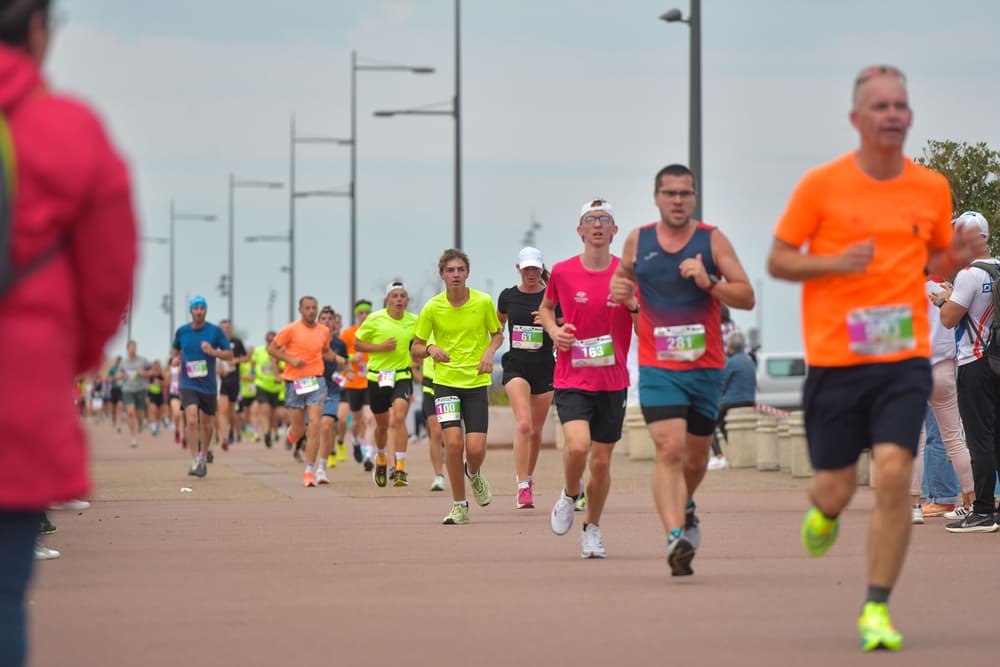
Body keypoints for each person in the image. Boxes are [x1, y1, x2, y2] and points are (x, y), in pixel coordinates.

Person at [765, 65, 985, 651]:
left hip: (903, 356)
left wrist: (953, 256)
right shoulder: (822, 186)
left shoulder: (930, 188)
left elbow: (933, 261)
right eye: (879, 106)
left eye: (899, 105)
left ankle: (876, 607)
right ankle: (825, 511)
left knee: (891, 473)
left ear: (908, 117)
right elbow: (780, 259)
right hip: (837, 358)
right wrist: (834, 263)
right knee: (835, 489)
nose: (891, 114)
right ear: (856, 118)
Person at [0, 2, 138, 663]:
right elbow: (108, 276)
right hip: (16, 395)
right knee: (4, 595)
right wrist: (67, 359)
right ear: (36, 30)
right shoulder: (67, 129)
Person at [610, 167, 755, 574]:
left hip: (705, 368)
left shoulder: (712, 240)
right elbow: (622, 279)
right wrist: (621, 290)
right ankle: (675, 536)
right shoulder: (638, 240)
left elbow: (746, 297)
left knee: (694, 460)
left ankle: (686, 506)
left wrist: (709, 282)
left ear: (694, 197)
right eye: (670, 193)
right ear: (656, 197)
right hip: (658, 366)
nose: (677, 200)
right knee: (669, 448)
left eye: (685, 193)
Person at [541, 198, 637, 558]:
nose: (598, 225)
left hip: (612, 381)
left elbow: (645, 327)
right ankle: (569, 494)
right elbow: (546, 308)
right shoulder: (563, 272)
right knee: (578, 446)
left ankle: (592, 529)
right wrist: (555, 332)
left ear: (614, 230)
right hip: (572, 376)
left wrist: (633, 304)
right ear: (580, 230)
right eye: (591, 220)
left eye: (605, 219)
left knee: (600, 463)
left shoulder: (627, 275)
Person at [413, 249, 504, 525]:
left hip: (476, 382)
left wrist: (489, 352)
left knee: (475, 449)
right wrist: (431, 348)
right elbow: (415, 347)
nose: (455, 275)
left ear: (467, 273)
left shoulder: (483, 301)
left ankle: (473, 473)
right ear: (442, 274)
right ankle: (459, 505)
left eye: (460, 270)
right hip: (445, 383)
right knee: (453, 443)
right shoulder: (432, 307)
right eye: (450, 270)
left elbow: (497, 334)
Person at [932, 211, 1000, 533]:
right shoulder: (997, 267)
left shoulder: (969, 275)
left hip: (975, 361)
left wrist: (944, 300)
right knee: (997, 436)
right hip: (997, 358)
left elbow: (949, 319)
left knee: (979, 438)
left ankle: (983, 510)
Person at [909, 270, 974, 523]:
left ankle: (915, 505)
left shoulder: (900, 292)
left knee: (914, 441)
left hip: (911, 369)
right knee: (954, 438)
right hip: (944, 368)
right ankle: (972, 499)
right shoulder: (947, 291)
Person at [498, 247, 557, 509]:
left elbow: (565, 330)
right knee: (523, 424)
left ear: (541, 268)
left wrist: (550, 324)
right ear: (518, 269)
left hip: (544, 367)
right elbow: (497, 327)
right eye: (526, 269)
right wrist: (488, 349)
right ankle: (522, 486)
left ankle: (529, 478)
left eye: (535, 268)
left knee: (535, 430)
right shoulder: (507, 297)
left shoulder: (552, 297)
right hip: (516, 366)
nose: (531, 273)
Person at [268, 296, 337, 487]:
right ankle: (293, 432)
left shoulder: (323, 331)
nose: (311, 311)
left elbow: (325, 351)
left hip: (316, 380)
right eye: (307, 308)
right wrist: (290, 360)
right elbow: (272, 349)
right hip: (294, 382)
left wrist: (339, 359)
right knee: (299, 429)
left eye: (314, 308)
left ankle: (309, 471)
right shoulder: (291, 329)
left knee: (315, 424)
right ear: (300, 310)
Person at [356, 282, 419, 487]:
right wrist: (381, 347)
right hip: (378, 377)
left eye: (402, 296)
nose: (399, 299)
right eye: (394, 296)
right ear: (387, 300)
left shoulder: (414, 320)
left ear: (407, 300)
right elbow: (357, 344)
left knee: (398, 418)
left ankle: (400, 468)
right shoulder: (375, 319)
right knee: (382, 425)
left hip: (402, 375)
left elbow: (421, 343)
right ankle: (381, 457)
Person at [172, 296, 233, 478]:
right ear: (191, 311)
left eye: (202, 308)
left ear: (205, 310)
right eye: (196, 308)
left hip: (208, 385)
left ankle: (204, 455)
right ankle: (194, 458)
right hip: (188, 383)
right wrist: (175, 359)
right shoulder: (182, 331)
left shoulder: (215, 331)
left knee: (206, 423)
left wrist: (212, 352)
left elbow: (229, 355)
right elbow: (175, 350)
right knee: (191, 419)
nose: (199, 311)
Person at [708, 332, 756, 470]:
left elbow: (722, 385)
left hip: (733, 400)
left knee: (709, 421)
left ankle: (719, 456)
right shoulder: (749, 361)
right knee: (722, 423)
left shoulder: (731, 362)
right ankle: (734, 448)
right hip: (749, 400)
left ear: (730, 347)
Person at [339, 300, 374, 468]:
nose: (365, 315)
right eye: (361, 313)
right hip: (353, 382)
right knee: (356, 421)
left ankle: (368, 456)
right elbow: (338, 356)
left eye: (367, 312)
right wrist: (352, 358)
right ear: (356, 315)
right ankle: (355, 440)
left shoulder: (375, 331)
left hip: (370, 381)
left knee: (369, 419)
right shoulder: (348, 334)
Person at [318, 306, 348, 472]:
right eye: (323, 318)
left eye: (330, 319)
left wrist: (346, 373)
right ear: (318, 321)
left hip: (332, 387)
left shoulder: (339, 344)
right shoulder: (311, 340)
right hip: (312, 387)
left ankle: (325, 461)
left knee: (328, 424)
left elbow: (344, 363)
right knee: (309, 427)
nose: (327, 322)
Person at [216, 319, 249, 451]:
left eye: (227, 327)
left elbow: (246, 358)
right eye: (222, 328)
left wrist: (236, 360)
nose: (225, 330)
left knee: (231, 411)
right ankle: (224, 438)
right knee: (222, 410)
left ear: (230, 329)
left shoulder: (237, 342)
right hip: (221, 380)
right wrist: (217, 369)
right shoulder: (216, 343)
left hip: (234, 379)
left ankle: (231, 431)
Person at [251, 331, 282, 448]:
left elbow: (283, 369)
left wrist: (275, 362)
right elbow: (252, 364)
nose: (270, 342)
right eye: (269, 340)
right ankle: (266, 434)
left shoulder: (280, 353)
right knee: (264, 410)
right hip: (261, 384)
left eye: (272, 341)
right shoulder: (258, 351)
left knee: (272, 413)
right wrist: (254, 374)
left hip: (275, 386)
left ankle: (269, 430)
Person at [119, 340, 152, 448]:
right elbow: (117, 375)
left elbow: (152, 372)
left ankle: (141, 423)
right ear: (127, 349)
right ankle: (133, 437)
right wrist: (121, 375)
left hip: (141, 389)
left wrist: (144, 373)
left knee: (140, 415)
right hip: (127, 389)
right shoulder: (123, 362)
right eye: (131, 347)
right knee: (130, 412)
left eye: (134, 347)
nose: (133, 349)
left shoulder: (143, 361)